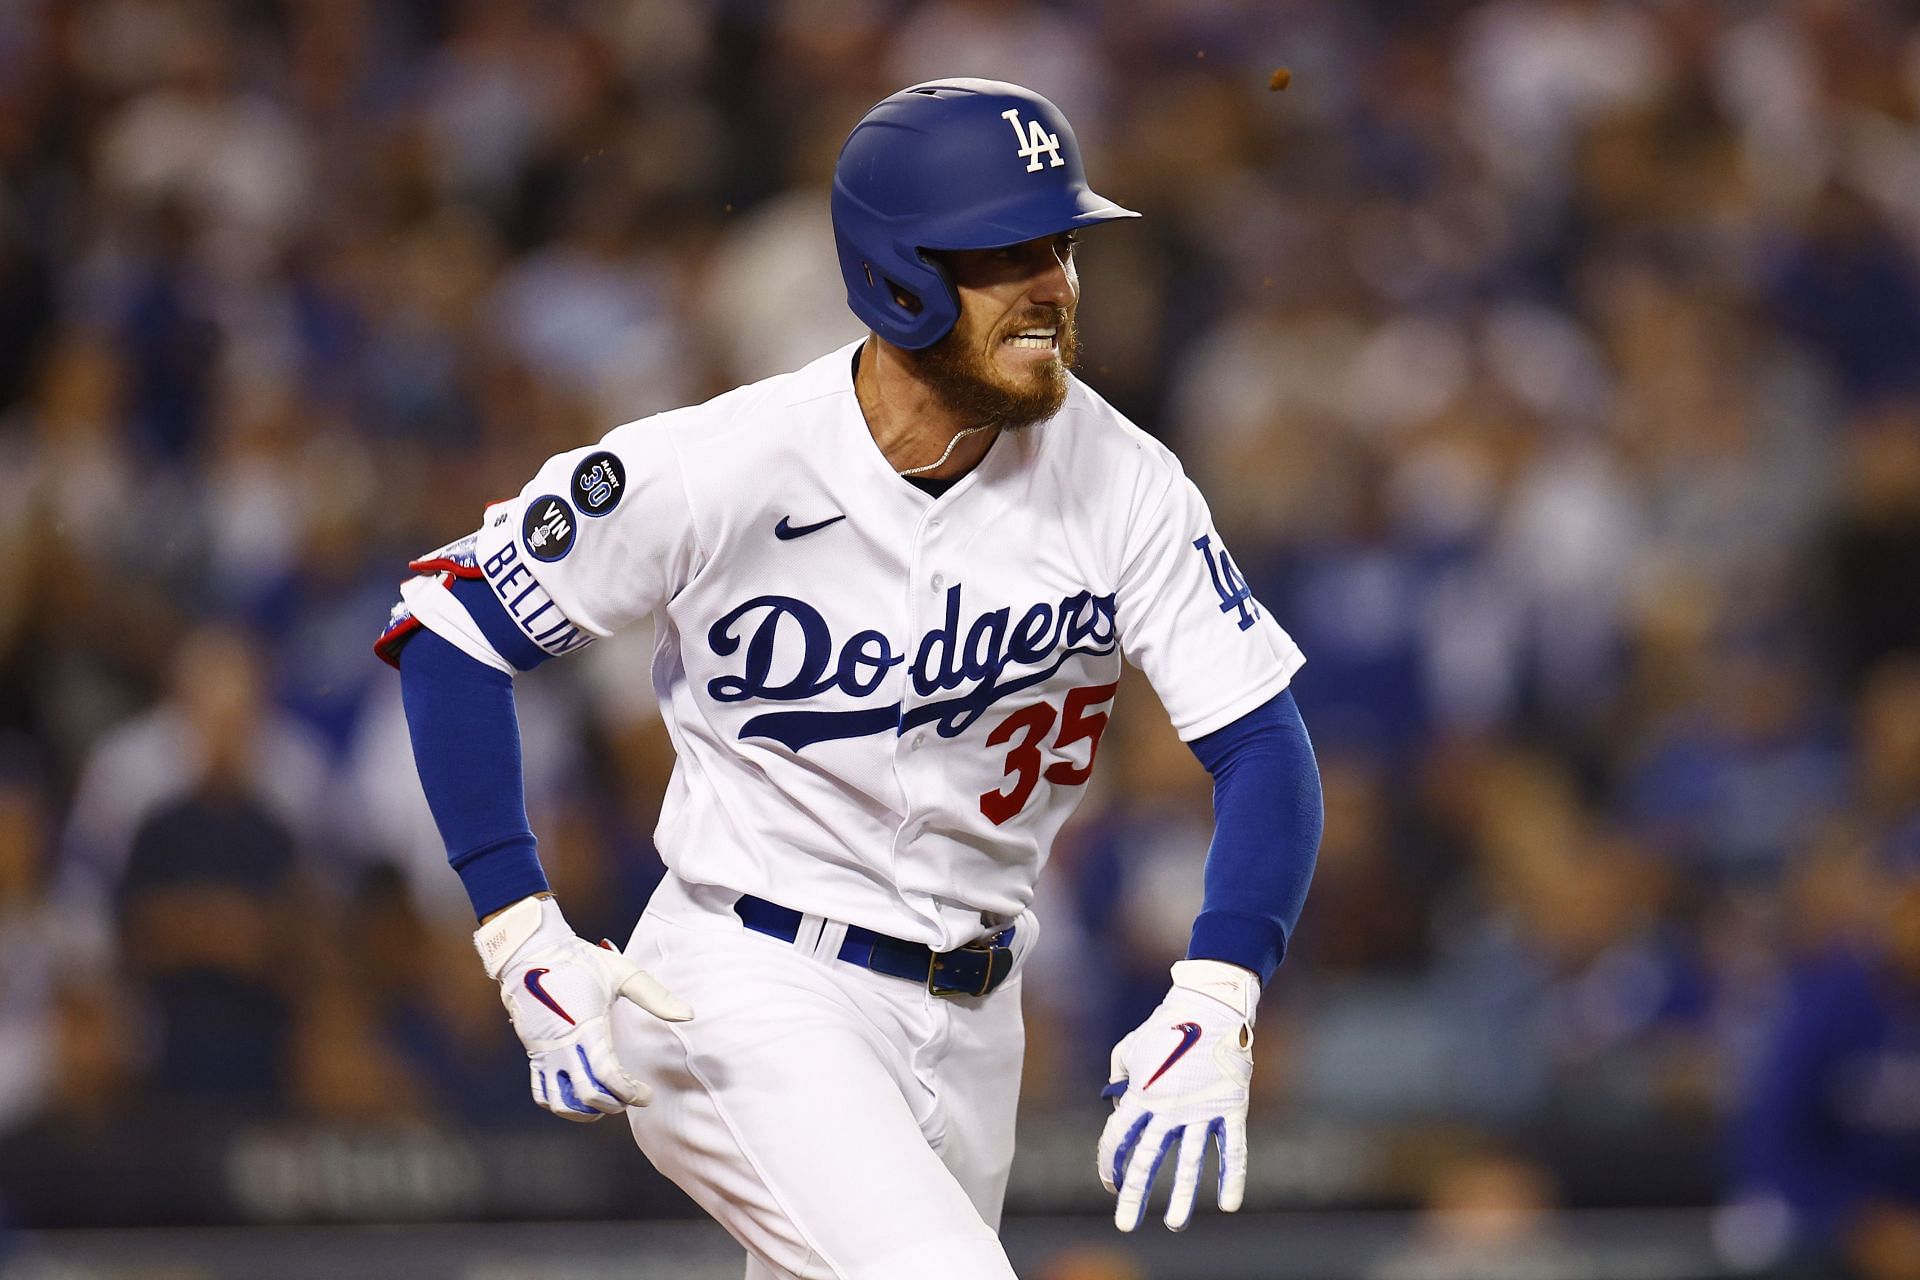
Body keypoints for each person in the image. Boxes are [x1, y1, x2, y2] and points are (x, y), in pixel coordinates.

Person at [379, 79, 1323, 1280]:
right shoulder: (724, 463)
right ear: (900, 276)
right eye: (1010, 253)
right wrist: (520, 932)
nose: (1056, 286)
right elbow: (448, 627)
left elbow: (1264, 744)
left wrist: (1224, 982)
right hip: (746, 979)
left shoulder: (1124, 479)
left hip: (980, 1014)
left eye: (1063, 246)